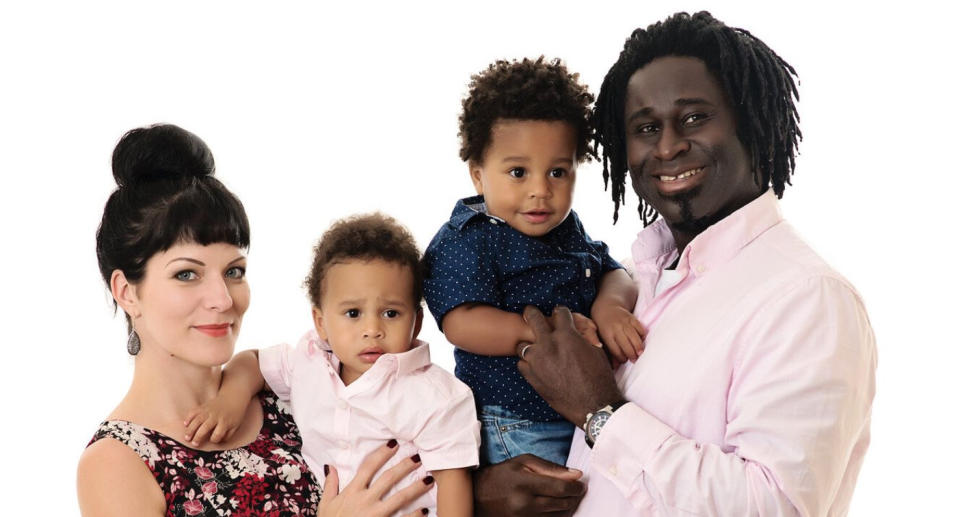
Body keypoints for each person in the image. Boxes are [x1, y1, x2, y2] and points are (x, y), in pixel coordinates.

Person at [474, 12, 877, 516]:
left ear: (749, 121)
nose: (667, 146)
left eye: (693, 118)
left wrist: (600, 413)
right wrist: (482, 494)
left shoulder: (808, 298)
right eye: (646, 127)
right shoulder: (631, 278)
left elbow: (771, 506)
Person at [77, 124, 433, 517]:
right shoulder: (116, 462)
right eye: (186, 274)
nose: (223, 298)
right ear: (127, 291)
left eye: (234, 271)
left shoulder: (298, 390)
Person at [183, 213, 481, 516]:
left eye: (391, 313)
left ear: (416, 324)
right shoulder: (308, 361)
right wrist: (230, 399)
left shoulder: (436, 396)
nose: (372, 329)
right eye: (353, 313)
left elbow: (453, 488)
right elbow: (254, 362)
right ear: (321, 323)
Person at [422, 57, 643, 467]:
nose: (540, 190)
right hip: (511, 422)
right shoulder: (469, 237)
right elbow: (461, 322)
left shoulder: (566, 228)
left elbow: (614, 271)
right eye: (519, 172)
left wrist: (609, 307)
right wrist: (542, 331)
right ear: (478, 175)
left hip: (580, 413)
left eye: (558, 172)